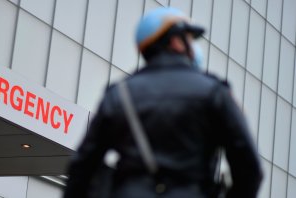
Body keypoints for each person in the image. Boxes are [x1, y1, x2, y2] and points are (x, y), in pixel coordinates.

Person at [63, 7, 262, 198]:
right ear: (176, 41)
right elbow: (249, 168)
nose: (193, 46)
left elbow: (82, 167)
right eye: (190, 40)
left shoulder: (119, 94)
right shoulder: (214, 92)